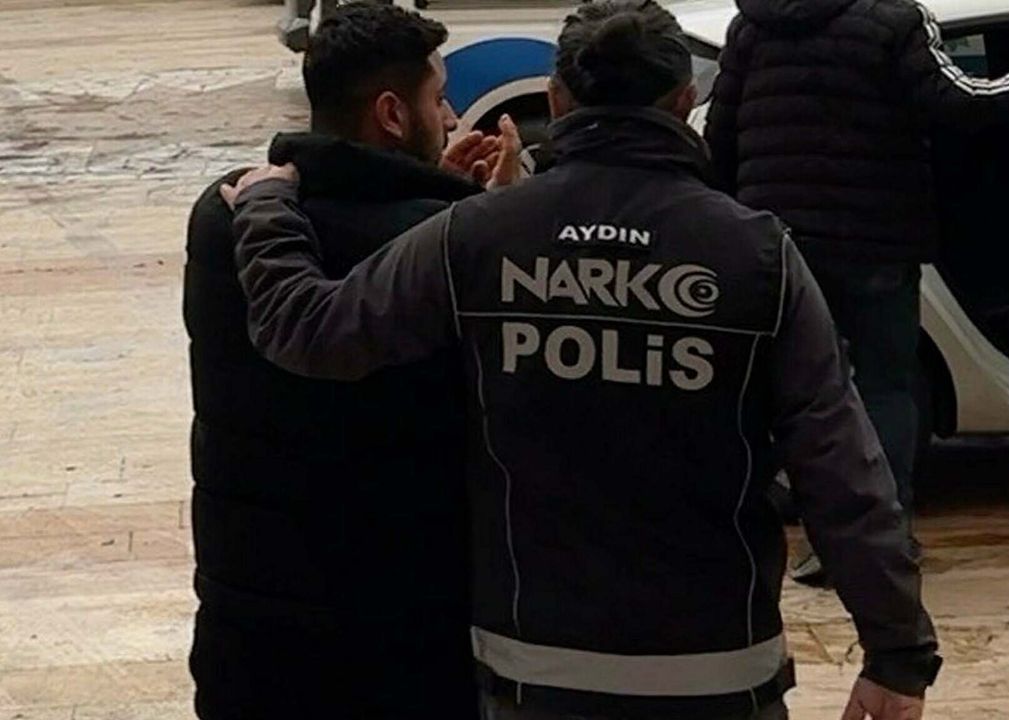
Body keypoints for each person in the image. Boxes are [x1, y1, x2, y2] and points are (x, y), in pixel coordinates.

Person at [223, 1, 941, 718]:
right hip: (718, 670)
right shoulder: (757, 254)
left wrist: (266, 208)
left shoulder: (480, 236)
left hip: (538, 669)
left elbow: (308, 329)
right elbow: (842, 469)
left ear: (558, 98)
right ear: (684, 101)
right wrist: (897, 654)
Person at [183, 4, 520, 718]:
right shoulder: (441, 244)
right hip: (395, 621)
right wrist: (472, 210)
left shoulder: (225, 214)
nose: (452, 117)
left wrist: (439, 191)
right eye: (439, 98)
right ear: (393, 114)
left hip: (249, 610)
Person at [704, 0, 1009, 579]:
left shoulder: (751, 26)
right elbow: (960, 103)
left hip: (782, 247)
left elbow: (720, 138)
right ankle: (876, 542)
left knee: (795, 394)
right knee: (883, 388)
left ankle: (801, 535)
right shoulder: (896, 21)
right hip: (874, 241)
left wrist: (737, 231)